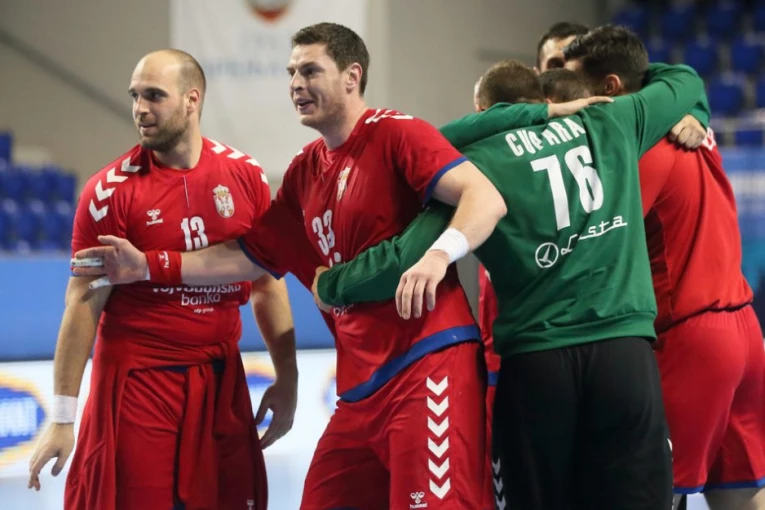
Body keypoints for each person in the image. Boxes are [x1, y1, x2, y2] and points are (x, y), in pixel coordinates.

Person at [72, 23, 508, 509]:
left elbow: (484, 197)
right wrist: (149, 266)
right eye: (291, 73)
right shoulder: (305, 170)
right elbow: (246, 257)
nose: (296, 84)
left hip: (426, 368)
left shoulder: (395, 133)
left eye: (310, 71)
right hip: (360, 389)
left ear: (352, 76)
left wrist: (440, 253)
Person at [309, 49, 709, 508]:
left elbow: (404, 255)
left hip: (539, 364)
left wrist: (330, 285)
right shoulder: (611, 119)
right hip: (625, 357)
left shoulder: (475, 162)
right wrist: (690, 110)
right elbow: (686, 80)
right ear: (544, 98)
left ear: (483, 110)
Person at [28, 49, 299, 510]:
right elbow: (83, 303)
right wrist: (62, 417)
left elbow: (267, 282)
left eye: (154, 96)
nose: (140, 108)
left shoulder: (246, 176)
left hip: (221, 383)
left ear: (193, 100)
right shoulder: (108, 193)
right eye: (134, 96)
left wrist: (288, 379)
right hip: (140, 388)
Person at [564, 26, 765, 510]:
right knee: (742, 494)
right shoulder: (692, 126)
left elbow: (600, 249)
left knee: (650, 493)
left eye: (574, 85)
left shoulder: (643, 149)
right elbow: (681, 80)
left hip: (692, 339)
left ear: (610, 87)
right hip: (746, 333)